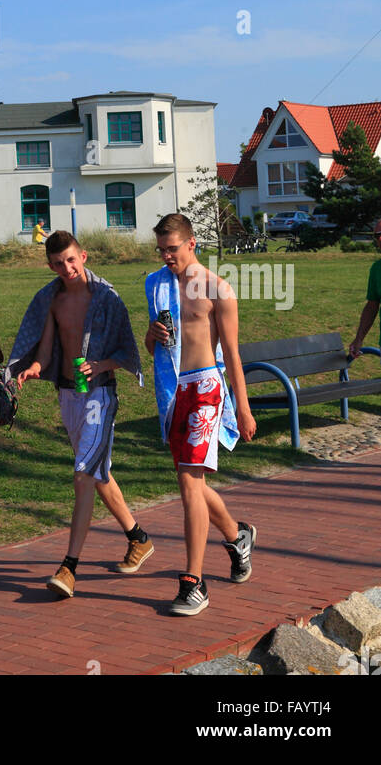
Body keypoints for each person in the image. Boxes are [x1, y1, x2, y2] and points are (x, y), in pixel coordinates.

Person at [8, 230, 152, 598]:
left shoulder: (107, 298)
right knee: (99, 474)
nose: (66, 268)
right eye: (57, 263)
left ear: (83, 256)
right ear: (50, 265)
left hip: (100, 397)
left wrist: (100, 363)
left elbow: (127, 352)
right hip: (70, 397)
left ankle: (69, 567)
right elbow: (46, 348)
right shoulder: (51, 299)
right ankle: (139, 539)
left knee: (83, 476)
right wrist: (35, 367)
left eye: (71, 260)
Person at [145, 212, 256, 617]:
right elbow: (153, 342)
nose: (166, 257)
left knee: (190, 484)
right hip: (173, 390)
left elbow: (233, 354)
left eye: (172, 249)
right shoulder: (156, 284)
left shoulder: (218, 289)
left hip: (206, 387)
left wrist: (242, 408)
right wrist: (151, 335)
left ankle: (194, 583)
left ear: (192, 243)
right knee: (189, 480)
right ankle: (237, 535)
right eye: (161, 250)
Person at [348, 218, 381, 359]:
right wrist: (359, 338)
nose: (379, 239)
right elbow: (372, 306)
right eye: (377, 235)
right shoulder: (376, 269)